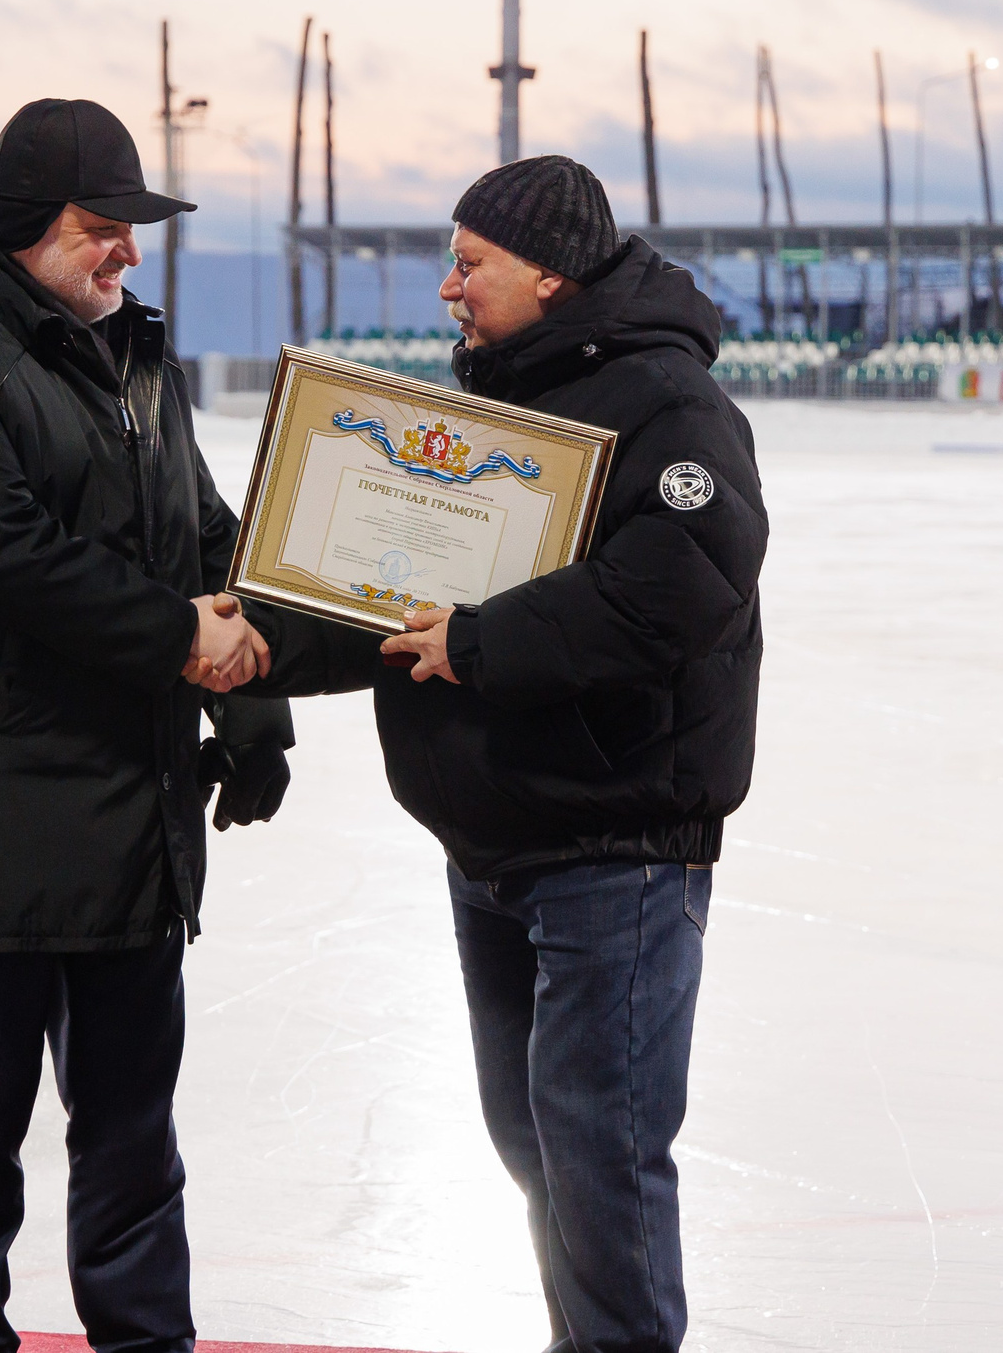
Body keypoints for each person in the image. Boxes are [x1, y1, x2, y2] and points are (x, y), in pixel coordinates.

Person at [299, 155, 766, 1353]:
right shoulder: (504, 397)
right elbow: (407, 591)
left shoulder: (667, 404)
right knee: (531, 1139)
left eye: (469, 263)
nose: (446, 289)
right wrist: (257, 635)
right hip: (498, 837)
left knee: (597, 1150)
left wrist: (482, 644)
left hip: (612, 841)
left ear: (551, 272)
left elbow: (684, 582)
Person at [0, 97, 297, 1350]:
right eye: (103, 228)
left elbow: (206, 535)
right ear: (19, 228)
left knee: (131, 1138)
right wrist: (179, 638)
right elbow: (7, 560)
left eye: (132, 229)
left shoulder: (134, 356)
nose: (127, 254)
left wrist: (254, 708)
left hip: (128, 810)